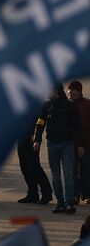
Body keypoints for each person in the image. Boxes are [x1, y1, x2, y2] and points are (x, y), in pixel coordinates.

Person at [34, 84, 83, 213]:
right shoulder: (46, 106)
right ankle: (60, 203)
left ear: (55, 91)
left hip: (67, 144)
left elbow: (78, 126)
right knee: (55, 175)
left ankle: (69, 204)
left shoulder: (69, 105)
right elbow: (40, 123)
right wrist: (37, 140)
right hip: (52, 144)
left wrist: (81, 145)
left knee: (68, 174)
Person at [70, 81, 90, 203]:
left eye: (73, 90)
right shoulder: (66, 105)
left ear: (80, 91)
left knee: (86, 170)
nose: (71, 92)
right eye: (69, 90)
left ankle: (87, 194)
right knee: (71, 171)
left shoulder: (87, 105)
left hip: (87, 144)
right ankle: (74, 195)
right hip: (69, 144)